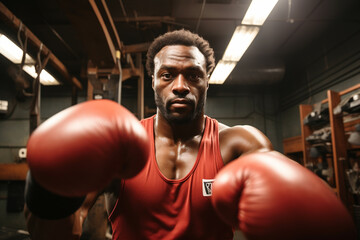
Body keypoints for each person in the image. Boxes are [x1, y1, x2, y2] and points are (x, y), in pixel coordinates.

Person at [24, 29, 356, 240]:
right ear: (153, 80)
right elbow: (62, 229)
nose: (180, 86)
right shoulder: (121, 149)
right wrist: (46, 193)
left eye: (193, 75)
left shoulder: (240, 143)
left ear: (206, 81)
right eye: (167, 75)